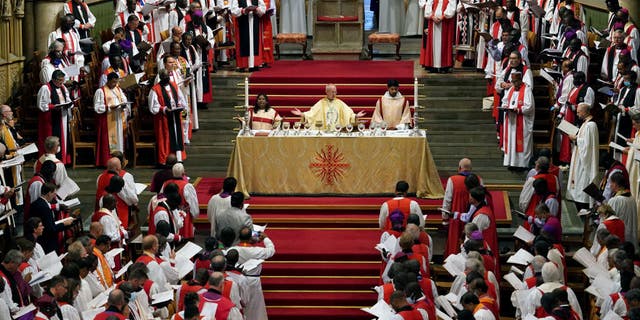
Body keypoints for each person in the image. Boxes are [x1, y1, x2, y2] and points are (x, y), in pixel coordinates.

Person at [229, 227, 275, 320]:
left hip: (237, 279)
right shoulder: (256, 250)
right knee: (255, 308)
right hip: (253, 281)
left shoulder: (233, 249)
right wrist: (266, 238)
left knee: (240, 305)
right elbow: (271, 251)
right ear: (251, 238)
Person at [148, 69, 188, 165]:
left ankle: (178, 158)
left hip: (175, 116)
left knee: (177, 136)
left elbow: (181, 98)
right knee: (166, 138)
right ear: (161, 77)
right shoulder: (155, 89)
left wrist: (181, 105)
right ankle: (165, 160)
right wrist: (164, 109)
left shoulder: (174, 85)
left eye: (168, 77)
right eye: (165, 77)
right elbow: (153, 107)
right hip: (164, 119)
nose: (167, 79)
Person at [36, 70, 74, 164]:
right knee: (53, 138)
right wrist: (54, 106)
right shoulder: (46, 88)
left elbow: (68, 99)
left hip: (63, 117)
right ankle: (52, 161)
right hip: (51, 119)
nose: (61, 82)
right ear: (53, 79)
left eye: (62, 80)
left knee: (63, 138)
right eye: (60, 80)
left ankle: (63, 159)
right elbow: (41, 105)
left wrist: (69, 104)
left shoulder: (63, 87)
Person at [566, 103, 599, 211]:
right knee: (578, 180)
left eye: (579, 112)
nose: (577, 113)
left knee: (583, 180)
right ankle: (578, 202)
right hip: (579, 157)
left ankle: (584, 205)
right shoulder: (585, 123)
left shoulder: (591, 125)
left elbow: (588, 144)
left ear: (585, 112)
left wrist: (575, 139)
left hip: (585, 160)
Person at [291, 84, 366, 130]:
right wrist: (302, 114)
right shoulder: (321, 103)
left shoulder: (340, 103)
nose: (334, 94)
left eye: (335, 92)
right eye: (332, 92)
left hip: (337, 130)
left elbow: (348, 114)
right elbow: (312, 113)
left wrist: (355, 116)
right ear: (327, 92)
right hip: (324, 131)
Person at [94, 72, 130, 167]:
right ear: (108, 81)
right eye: (113, 82)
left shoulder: (118, 89)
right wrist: (109, 107)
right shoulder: (100, 91)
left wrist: (123, 105)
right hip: (107, 119)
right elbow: (97, 107)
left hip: (118, 118)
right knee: (109, 141)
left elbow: (124, 100)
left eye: (116, 82)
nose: (114, 84)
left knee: (118, 140)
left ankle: (119, 160)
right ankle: (107, 161)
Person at [442, 159, 477, 256]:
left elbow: (447, 200)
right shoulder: (477, 179)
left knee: (455, 247)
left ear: (459, 168)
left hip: (456, 219)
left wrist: (445, 219)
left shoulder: (453, 179)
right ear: (471, 168)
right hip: (474, 217)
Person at [501, 71, 534, 169]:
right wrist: (505, 106)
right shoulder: (511, 89)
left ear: (520, 80)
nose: (514, 83)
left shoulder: (527, 90)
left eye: (515, 81)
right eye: (513, 81)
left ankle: (522, 164)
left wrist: (519, 109)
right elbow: (505, 101)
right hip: (511, 121)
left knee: (522, 143)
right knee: (511, 141)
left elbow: (529, 106)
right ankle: (511, 162)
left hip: (522, 121)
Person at [30, 183, 74, 254]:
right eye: (54, 193)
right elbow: (51, 229)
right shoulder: (45, 208)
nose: (54, 196)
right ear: (49, 193)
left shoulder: (35, 203)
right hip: (47, 242)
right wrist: (64, 224)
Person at [160, 163, 199, 239]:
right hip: (183, 216)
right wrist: (194, 215)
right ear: (183, 173)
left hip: (169, 213)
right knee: (184, 239)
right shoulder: (187, 186)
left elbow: (161, 199)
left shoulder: (165, 184)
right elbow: (193, 203)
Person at [419, 0, 456, 73]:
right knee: (433, 44)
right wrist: (432, 16)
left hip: (445, 22)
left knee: (444, 44)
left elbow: (452, 6)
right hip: (433, 21)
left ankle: (444, 66)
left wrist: (443, 16)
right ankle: (433, 66)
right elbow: (428, 5)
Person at [231, 0, 266, 72]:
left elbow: (263, 8)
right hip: (242, 22)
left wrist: (257, 10)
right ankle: (243, 65)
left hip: (255, 21)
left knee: (255, 43)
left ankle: (255, 64)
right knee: (244, 42)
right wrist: (243, 10)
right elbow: (233, 10)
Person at [607, 172, 638, 250]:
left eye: (611, 183)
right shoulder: (632, 198)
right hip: (631, 238)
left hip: (619, 239)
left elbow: (609, 221)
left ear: (615, 184)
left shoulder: (615, 200)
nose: (610, 185)